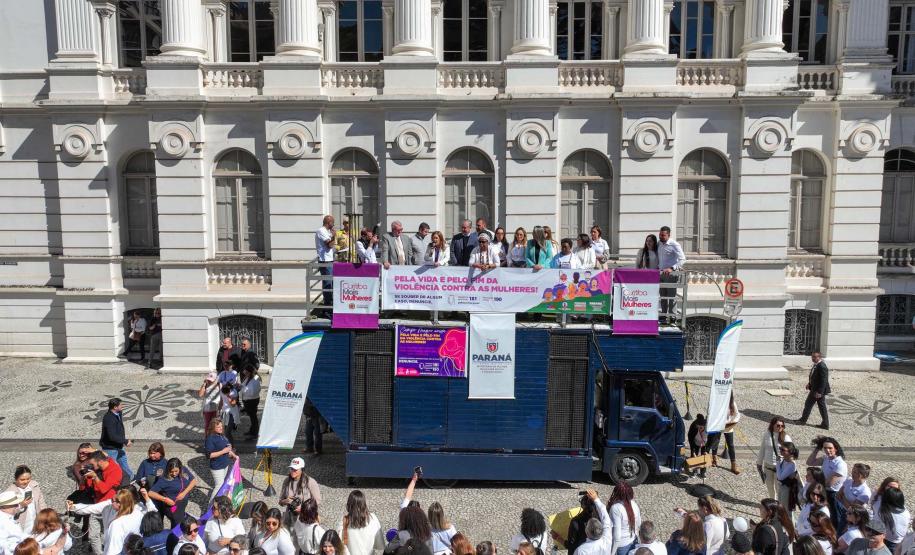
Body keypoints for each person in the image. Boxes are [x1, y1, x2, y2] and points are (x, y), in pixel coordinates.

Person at [807, 437, 847, 531]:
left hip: (834, 495)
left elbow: (829, 484)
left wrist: (815, 485)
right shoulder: (826, 458)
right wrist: (817, 448)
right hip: (824, 491)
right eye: (825, 448)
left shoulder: (840, 464)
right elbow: (809, 462)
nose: (827, 450)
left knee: (835, 519)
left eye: (830, 448)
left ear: (835, 448)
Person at [104, 487, 156, 555]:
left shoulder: (117, 524)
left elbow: (113, 551)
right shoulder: (139, 513)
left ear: (119, 503)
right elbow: (154, 514)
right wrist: (147, 498)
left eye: (113, 500)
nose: (111, 502)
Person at [148, 458, 197, 528]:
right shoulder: (164, 479)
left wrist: (184, 493)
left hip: (182, 505)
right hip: (172, 506)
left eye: (176, 471)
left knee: (181, 523)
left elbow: (193, 481)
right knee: (177, 525)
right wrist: (165, 499)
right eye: (171, 472)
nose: (174, 474)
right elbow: (151, 493)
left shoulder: (183, 470)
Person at [337, 491, 384, 555]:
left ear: (349, 504)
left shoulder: (344, 521)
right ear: (364, 504)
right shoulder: (373, 518)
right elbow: (379, 543)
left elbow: (340, 545)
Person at [279, 458, 322, 526]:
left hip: (306, 518)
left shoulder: (310, 482)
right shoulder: (287, 481)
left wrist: (303, 508)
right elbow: (280, 502)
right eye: (291, 469)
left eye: (295, 469)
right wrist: (286, 501)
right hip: (290, 517)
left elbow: (317, 501)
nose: (293, 471)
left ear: (302, 469)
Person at [758, 416, 792, 500]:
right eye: (778, 425)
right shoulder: (767, 434)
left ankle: (779, 505)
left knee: (778, 488)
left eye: (782, 426)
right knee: (769, 487)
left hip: (779, 467)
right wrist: (759, 463)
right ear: (773, 425)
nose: (780, 427)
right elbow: (762, 449)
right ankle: (772, 502)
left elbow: (791, 453)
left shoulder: (786, 437)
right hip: (767, 466)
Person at [4, 466, 46, 535]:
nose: (26, 482)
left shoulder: (34, 485)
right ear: (16, 479)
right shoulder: (10, 492)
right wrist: (21, 505)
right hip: (21, 525)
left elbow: (41, 502)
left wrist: (45, 515)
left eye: (28, 479)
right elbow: (5, 513)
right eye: (22, 479)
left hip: (36, 521)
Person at [100, 398, 134, 480]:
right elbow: (112, 436)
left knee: (123, 462)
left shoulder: (118, 413)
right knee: (111, 468)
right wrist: (125, 441)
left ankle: (131, 478)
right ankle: (111, 482)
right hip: (110, 448)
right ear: (115, 407)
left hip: (118, 446)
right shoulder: (108, 418)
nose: (122, 406)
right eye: (121, 405)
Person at [204, 420, 236, 503]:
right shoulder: (210, 438)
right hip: (217, 467)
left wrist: (233, 455)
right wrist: (223, 451)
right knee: (219, 485)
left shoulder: (221, 435)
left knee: (222, 485)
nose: (221, 428)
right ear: (213, 428)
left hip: (225, 464)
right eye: (218, 427)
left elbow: (227, 448)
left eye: (221, 426)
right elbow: (209, 455)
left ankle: (220, 503)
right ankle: (211, 506)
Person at [657, 226, 685, 320]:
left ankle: (672, 317)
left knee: (671, 296)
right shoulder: (659, 244)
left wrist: (672, 268)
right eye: (660, 234)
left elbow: (682, 259)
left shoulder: (674, 244)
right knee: (663, 296)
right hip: (661, 274)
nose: (661, 237)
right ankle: (664, 316)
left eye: (663, 235)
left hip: (671, 275)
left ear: (668, 235)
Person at [708, 393, 740, 474]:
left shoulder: (732, 403)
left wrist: (733, 422)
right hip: (718, 425)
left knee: (731, 445)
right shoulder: (716, 402)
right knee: (715, 442)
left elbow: (737, 415)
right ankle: (714, 458)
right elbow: (710, 413)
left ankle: (733, 464)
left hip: (727, 426)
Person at [571, 489, 611, 555]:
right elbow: (606, 519)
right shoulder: (607, 541)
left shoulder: (581, 551)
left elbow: (571, 545)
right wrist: (596, 499)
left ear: (586, 532)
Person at [799, 352, 831, 430]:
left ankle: (803, 420)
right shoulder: (816, 364)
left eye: (814, 357)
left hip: (817, 391)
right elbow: (814, 377)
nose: (813, 358)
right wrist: (809, 384)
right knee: (821, 407)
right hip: (815, 389)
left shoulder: (822, 366)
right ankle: (825, 424)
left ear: (819, 357)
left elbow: (824, 381)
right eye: (812, 357)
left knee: (808, 404)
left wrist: (819, 392)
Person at [837, 464, 872, 533]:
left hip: (854, 517)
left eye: (855, 472)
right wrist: (845, 500)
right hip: (842, 510)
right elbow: (838, 495)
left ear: (863, 475)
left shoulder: (865, 492)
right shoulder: (849, 480)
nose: (852, 474)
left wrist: (843, 497)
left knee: (843, 533)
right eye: (853, 471)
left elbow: (852, 508)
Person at [609, 482, 641, 555]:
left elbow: (617, 536)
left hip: (622, 546)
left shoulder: (616, 508)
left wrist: (612, 552)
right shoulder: (635, 504)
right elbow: (638, 523)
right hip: (633, 540)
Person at [876, 488, 909, 552]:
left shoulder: (883, 513)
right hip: (900, 542)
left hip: (886, 542)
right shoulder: (906, 511)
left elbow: (875, 529)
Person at [776, 442, 802, 515]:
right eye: (780, 449)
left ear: (790, 452)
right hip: (781, 487)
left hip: (787, 489)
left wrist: (778, 462)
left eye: (783, 450)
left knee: (786, 510)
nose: (780, 451)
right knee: (780, 507)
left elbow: (780, 477)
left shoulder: (791, 464)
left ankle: (790, 525)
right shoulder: (784, 460)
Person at [315, 215, 336, 305]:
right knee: (328, 284)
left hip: (329, 260)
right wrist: (334, 237)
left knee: (330, 283)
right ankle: (328, 307)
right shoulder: (321, 231)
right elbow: (329, 245)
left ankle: (329, 304)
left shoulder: (327, 231)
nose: (334, 224)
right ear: (329, 222)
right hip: (325, 262)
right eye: (333, 222)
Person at [0, 491, 26, 555]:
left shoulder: (8, 517)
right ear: (4, 506)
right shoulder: (2, 522)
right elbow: (3, 547)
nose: (18, 507)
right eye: (15, 505)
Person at [240, 366, 262, 438]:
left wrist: (243, 389)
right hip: (248, 400)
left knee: (253, 417)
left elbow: (253, 390)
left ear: (249, 372)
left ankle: (254, 433)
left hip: (252, 400)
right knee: (252, 417)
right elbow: (244, 385)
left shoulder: (255, 378)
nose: (244, 373)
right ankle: (252, 431)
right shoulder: (249, 377)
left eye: (246, 372)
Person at [199, 372, 221, 437]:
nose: (209, 381)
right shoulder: (205, 385)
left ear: (215, 380)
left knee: (216, 424)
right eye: (208, 379)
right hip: (207, 409)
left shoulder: (219, 385)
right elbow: (200, 394)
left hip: (216, 408)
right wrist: (204, 384)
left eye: (211, 380)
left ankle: (215, 438)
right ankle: (207, 439)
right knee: (208, 424)